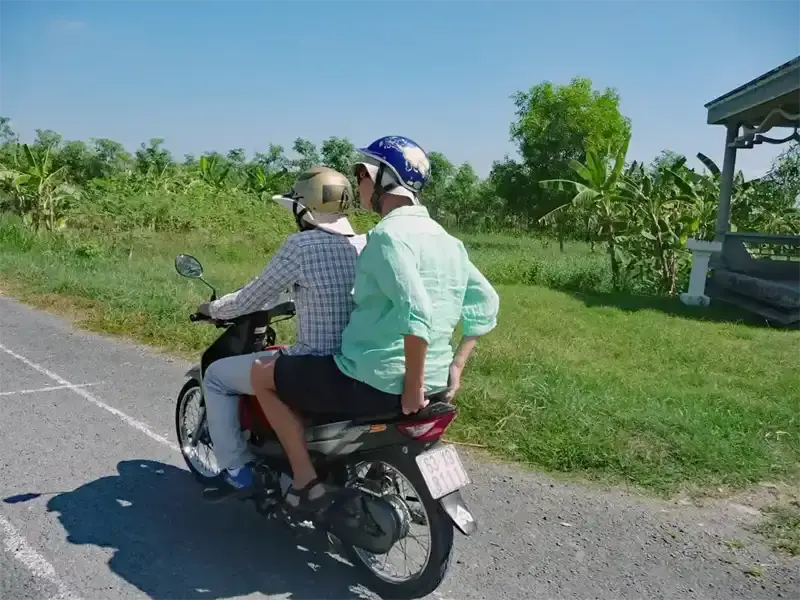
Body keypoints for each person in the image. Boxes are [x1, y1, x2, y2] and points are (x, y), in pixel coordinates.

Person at [250, 135, 500, 515]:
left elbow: (415, 310)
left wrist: (412, 387)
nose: (359, 182)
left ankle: (304, 481)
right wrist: (456, 367)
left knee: (262, 375)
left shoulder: (387, 237)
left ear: (379, 177)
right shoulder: (448, 240)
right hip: (435, 382)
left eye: (361, 174)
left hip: (373, 378)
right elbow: (485, 301)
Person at [197, 166, 366, 497]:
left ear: (303, 207)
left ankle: (236, 468)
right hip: (357, 361)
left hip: (312, 364)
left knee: (216, 375)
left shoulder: (301, 245)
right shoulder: (365, 243)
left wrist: (212, 310)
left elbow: (252, 297)